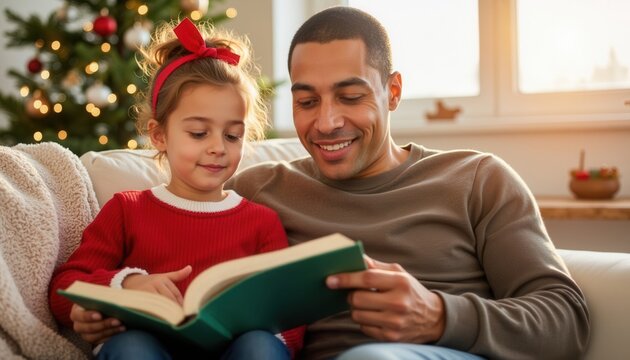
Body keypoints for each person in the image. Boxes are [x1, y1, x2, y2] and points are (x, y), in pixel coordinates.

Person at [68, 6, 590, 360]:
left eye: (350, 95)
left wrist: (437, 315)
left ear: (393, 91)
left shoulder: (477, 179)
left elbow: (566, 318)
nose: (326, 122)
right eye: (306, 100)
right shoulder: (255, 192)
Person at [48, 18, 303, 360]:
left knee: (261, 345)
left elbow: (290, 311)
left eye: (232, 135)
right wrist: (126, 285)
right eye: (199, 133)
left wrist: (273, 337)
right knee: (131, 347)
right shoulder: (128, 209)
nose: (218, 148)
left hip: (234, 351)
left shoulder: (261, 222)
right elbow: (65, 288)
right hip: (146, 347)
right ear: (159, 135)